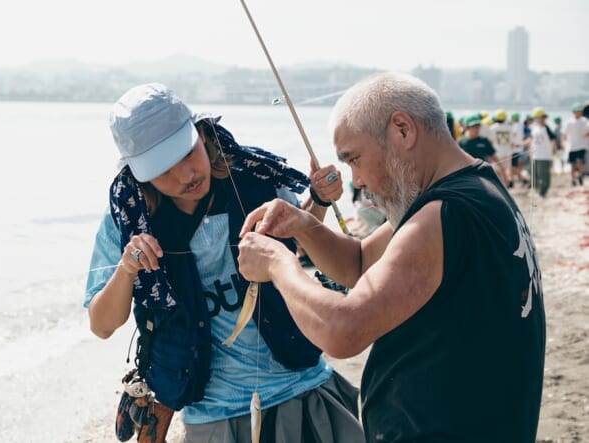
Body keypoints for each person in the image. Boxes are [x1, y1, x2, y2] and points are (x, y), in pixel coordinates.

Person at [235, 72, 545, 442]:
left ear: (402, 130)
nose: (358, 181)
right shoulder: (476, 190)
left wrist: (277, 264)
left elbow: (343, 330)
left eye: (355, 159)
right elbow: (360, 263)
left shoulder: (443, 215)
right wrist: (303, 224)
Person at [84, 83, 364, 443]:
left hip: (304, 386)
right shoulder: (127, 221)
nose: (186, 175)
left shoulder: (257, 178)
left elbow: (300, 239)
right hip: (214, 418)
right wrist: (127, 269)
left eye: (188, 154)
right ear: (139, 174)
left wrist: (319, 200)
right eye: (163, 169)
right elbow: (102, 325)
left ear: (202, 133)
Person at [458, 113, 507, 184]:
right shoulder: (461, 142)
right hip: (466, 174)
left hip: (482, 173)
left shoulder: (484, 140)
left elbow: (493, 155)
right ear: (467, 128)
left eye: (478, 126)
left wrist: (502, 170)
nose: (476, 129)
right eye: (474, 126)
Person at [524, 107, 556, 197]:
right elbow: (531, 140)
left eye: (540, 117)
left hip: (545, 156)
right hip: (535, 155)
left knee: (544, 176)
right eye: (536, 118)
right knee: (535, 175)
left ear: (543, 118)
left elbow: (553, 140)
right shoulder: (534, 128)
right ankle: (537, 191)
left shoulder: (547, 128)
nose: (538, 119)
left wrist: (553, 153)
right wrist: (527, 150)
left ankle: (543, 192)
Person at [563, 102, 589, 186]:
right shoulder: (569, 122)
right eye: (577, 111)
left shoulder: (585, 121)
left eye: (580, 111)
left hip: (581, 146)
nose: (579, 112)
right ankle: (573, 179)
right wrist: (563, 142)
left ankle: (580, 176)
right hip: (572, 146)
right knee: (572, 165)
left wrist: (586, 134)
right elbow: (564, 133)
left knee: (580, 162)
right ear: (573, 112)